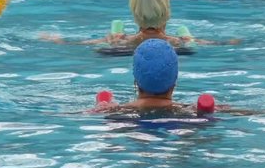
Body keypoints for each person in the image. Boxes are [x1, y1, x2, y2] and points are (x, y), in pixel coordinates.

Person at [41, 0, 237, 48]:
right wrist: (230, 42)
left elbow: (77, 44)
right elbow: (215, 44)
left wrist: (58, 40)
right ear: (167, 11)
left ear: (134, 11)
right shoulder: (180, 42)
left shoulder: (118, 41)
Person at [91, 38, 255, 115]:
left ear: (136, 81)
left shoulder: (116, 113)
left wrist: (103, 107)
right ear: (174, 82)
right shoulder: (189, 110)